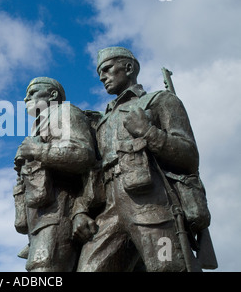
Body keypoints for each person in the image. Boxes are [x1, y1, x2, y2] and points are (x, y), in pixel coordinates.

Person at [73, 46, 211, 271]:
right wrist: (81, 209)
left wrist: (148, 132)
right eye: (100, 72)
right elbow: (93, 173)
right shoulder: (102, 122)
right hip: (109, 211)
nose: (101, 77)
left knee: (167, 266)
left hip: (152, 206)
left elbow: (189, 156)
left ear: (128, 68)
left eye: (107, 69)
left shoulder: (160, 101)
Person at [13, 77, 96, 272]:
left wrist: (38, 151)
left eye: (32, 92)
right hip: (41, 217)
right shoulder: (41, 124)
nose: (26, 99)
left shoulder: (64, 112)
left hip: (59, 212)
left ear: (52, 95)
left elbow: (83, 153)